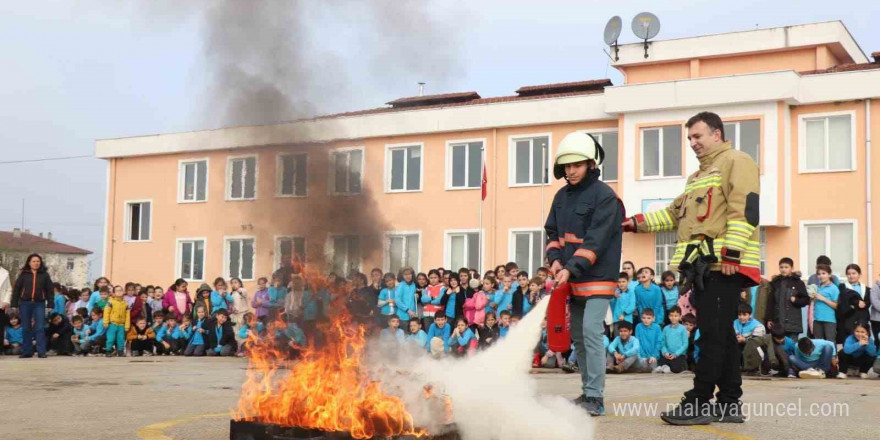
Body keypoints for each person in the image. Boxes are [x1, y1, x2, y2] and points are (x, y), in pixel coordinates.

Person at [624, 111, 760, 425]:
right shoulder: (696, 178)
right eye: (689, 139)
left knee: (711, 336)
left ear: (717, 134)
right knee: (721, 335)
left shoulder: (737, 161)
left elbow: (745, 208)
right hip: (703, 268)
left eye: (698, 136)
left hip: (722, 266)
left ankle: (698, 402)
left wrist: (732, 256)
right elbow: (673, 215)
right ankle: (728, 404)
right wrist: (634, 223)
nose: (693, 143)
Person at [544, 131, 622, 416]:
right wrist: (554, 260)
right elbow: (552, 232)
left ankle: (596, 398)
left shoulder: (605, 197)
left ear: (591, 163)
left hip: (598, 276)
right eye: (567, 166)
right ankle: (587, 392)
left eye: (576, 165)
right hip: (571, 277)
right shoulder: (561, 196)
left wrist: (569, 268)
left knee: (591, 331)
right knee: (578, 335)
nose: (571, 171)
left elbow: (596, 241)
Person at [10, 254, 54, 358]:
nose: (36, 263)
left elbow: (49, 290)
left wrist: (50, 303)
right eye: (33, 261)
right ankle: (27, 351)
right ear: (29, 263)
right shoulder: (23, 274)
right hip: (25, 303)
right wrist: (14, 304)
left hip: (39, 303)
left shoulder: (45, 275)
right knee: (26, 327)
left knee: (40, 327)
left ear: (41, 262)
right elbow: (16, 289)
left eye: (38, 261)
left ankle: (41, 351)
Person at [765, 258, 809, 340]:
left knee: (792, 348)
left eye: (786, 267)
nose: (783, 269)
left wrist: (796, 300)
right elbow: (771, 302)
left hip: (793, 324)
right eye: (781, 267)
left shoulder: (798, 282)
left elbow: (806, 300)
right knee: (778, 348)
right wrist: (769, 319)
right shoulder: (775, 283)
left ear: (792, 268)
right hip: (777, 323)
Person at [836, 264, 870, 345]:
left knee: (862, 342)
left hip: (862, 319)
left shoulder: (866, 288)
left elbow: (868, 302)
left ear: (859, 274)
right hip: (847, 319)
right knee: (848, 343)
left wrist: (864, 304)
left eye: (854, 273)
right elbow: (843, 300)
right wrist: (856, 303)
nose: (851, 276)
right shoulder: (842, 287)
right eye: (848, 274)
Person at [810, 264, 839, 342]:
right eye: (819, 274)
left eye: (823, 273)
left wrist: (823, 299)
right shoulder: (817, 287)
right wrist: (812, 299)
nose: (821, 276)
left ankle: (833, 355)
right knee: (818, 343)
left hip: (829, 320)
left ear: (829, 274)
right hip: (817, 319)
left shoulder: (834, 288)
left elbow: (836, 306)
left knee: (830, 343)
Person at [658, 306, 689, 374]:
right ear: (668, 316)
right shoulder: (665, 329)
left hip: (679, 355)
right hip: (668, 354)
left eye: (676, 316)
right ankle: (666, 367)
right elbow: (662, 343)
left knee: (677, 367)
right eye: (671, 315)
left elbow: (685, 344)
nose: (673, 318)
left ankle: (668, 368)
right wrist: (665, 352)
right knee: (660, 362)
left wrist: (676, 354)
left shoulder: (683, 329)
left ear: (680, 317)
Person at [103, 285, 131, 357]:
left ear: (123, 292)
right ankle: (108, 351)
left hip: (121, 325)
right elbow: (106, 312)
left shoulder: (125, 303)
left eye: (120, 290)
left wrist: (127, 326)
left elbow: (128, 315)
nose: (119, 292)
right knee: (110, 339)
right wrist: (105, 322)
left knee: (121, 339)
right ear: (113, 293)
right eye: (117, 291)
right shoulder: (110, 302)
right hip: (112, 324)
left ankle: (120, 351)